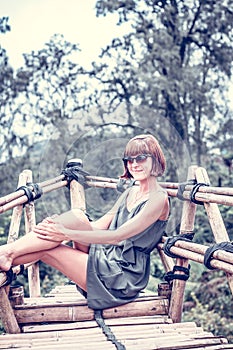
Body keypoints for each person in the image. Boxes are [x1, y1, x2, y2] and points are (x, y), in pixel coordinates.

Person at [0, 134, 169, 310]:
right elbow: (98, 226)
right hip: (105, 258)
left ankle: (6, 254)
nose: (134, 164)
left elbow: (117, 237)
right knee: (77, 217)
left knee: (50, 250)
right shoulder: (131, 191)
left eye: (141, 158)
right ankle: (6, 254)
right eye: (129, 159)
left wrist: (65, 234)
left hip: (122, 277)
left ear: (155, 159)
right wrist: (60, 225)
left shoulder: (158, 199)